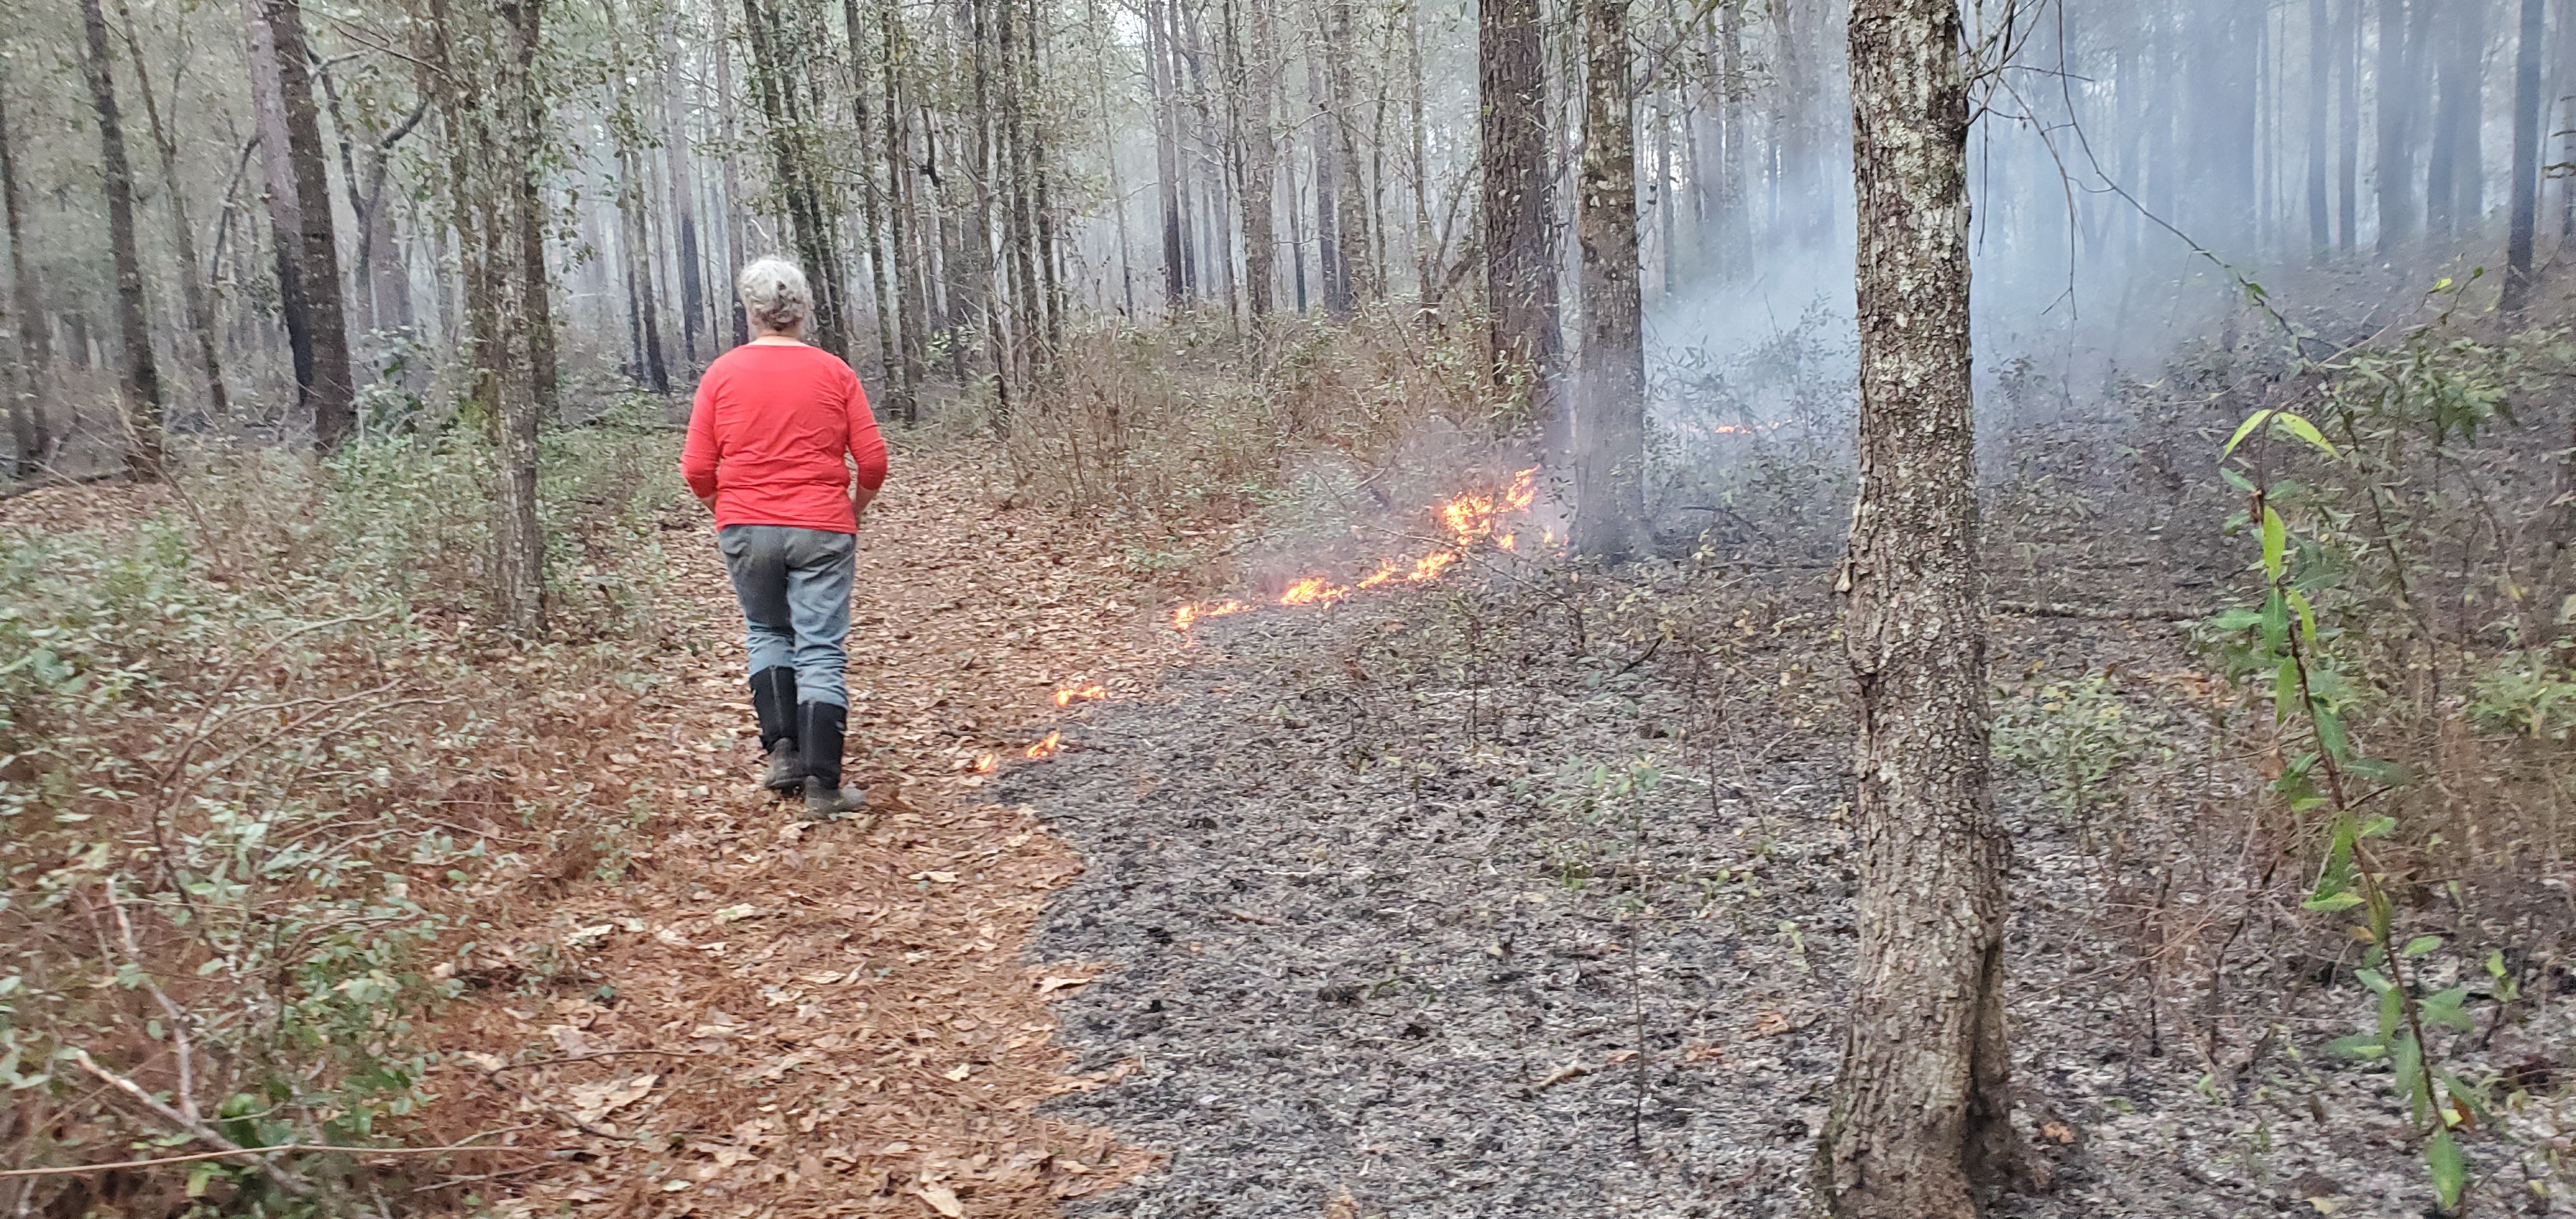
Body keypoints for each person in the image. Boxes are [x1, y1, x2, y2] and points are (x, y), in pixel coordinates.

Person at [682, 257, 887, 818]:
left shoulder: (722, 374)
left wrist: (726, 511)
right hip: (822, 523)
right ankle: (824, 789)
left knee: (767, 630)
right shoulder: (834, 373)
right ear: (802, 310)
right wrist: (854, 509)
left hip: (746, 524)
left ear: (751, 311)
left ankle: (784, 755)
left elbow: (697, 467)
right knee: (820, 648)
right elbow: (872, 461)